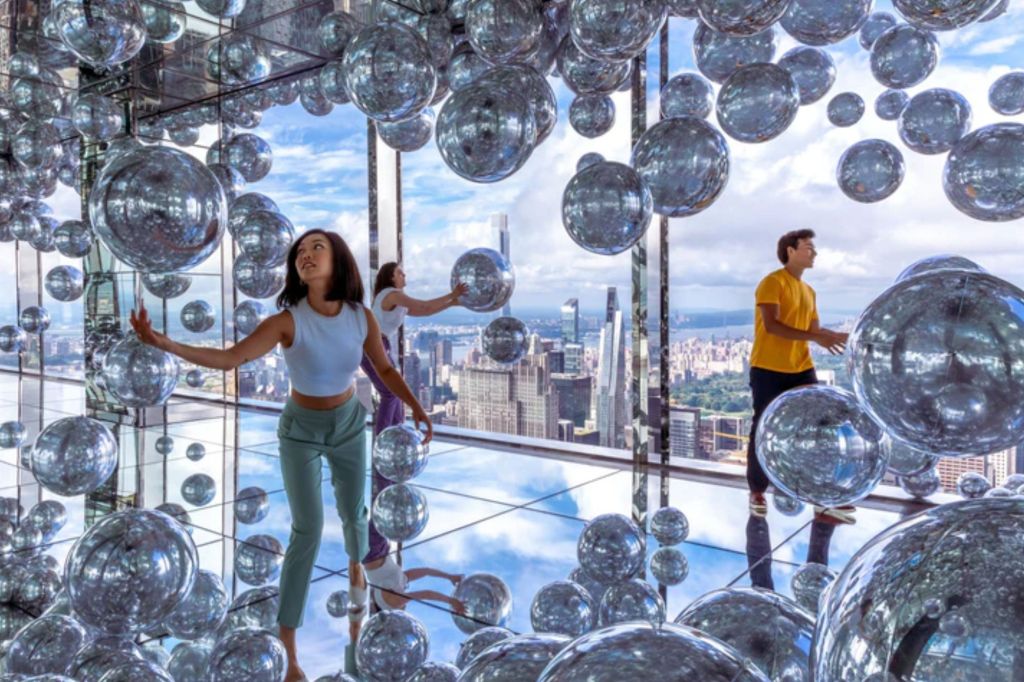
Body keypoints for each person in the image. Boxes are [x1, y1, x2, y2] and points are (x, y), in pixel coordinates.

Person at [130, 230, 432, 682]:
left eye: (317, 248)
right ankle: (289, 650)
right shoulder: (288, 321)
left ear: (339, 260)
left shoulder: (361, 317)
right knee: (306, 530)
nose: (305, 256)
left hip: (349, 424)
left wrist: (416, 405)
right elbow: (231, 359)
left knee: (355, 521)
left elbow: (385, 369)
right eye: (300, 252)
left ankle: (358, 614)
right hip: (301, 431)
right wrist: (166, 344)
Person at [360, 262, 467, 568]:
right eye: (401, 272)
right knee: (392, 392)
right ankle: (385, 440)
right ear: (391, 277)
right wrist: (451, 293)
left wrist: (451, 301)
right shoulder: (391, 293)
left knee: (391, 392)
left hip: (378, 345)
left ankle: (392, 434)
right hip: (374, 346)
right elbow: (421, 304)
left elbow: (424, 311)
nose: (405, 275)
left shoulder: (393, 299)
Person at [747, 229, 850, 521]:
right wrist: (817, 338)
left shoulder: (809, 291)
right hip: (768, 367)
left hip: (801, 367)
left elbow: (813, 331)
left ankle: (823, 494)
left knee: (819, 427)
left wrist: (832, 335)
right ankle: (757, 491)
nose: (814, 253)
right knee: (762, 429)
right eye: (808, 247)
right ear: (790, 251)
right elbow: (772, 326)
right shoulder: (772, 282)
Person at [363, 553, 466, 614]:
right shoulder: (398, 583)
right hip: (380, 549)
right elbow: (426, 571)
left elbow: (426, 594)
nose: (406, 608)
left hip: (373, 552)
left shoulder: (392, 603)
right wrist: (449, 576)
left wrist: (451, 601)